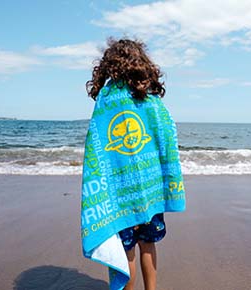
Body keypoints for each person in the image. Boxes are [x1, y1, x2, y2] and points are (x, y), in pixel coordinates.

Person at [85, 38, 175, 290]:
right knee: (148, 244)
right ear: (141, 63)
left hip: (119, 191)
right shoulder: (152, 99)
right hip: (150, 187)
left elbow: (98, 145)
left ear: (109, 65)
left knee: (126, 251)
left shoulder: (108, 97)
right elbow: (165, 138)